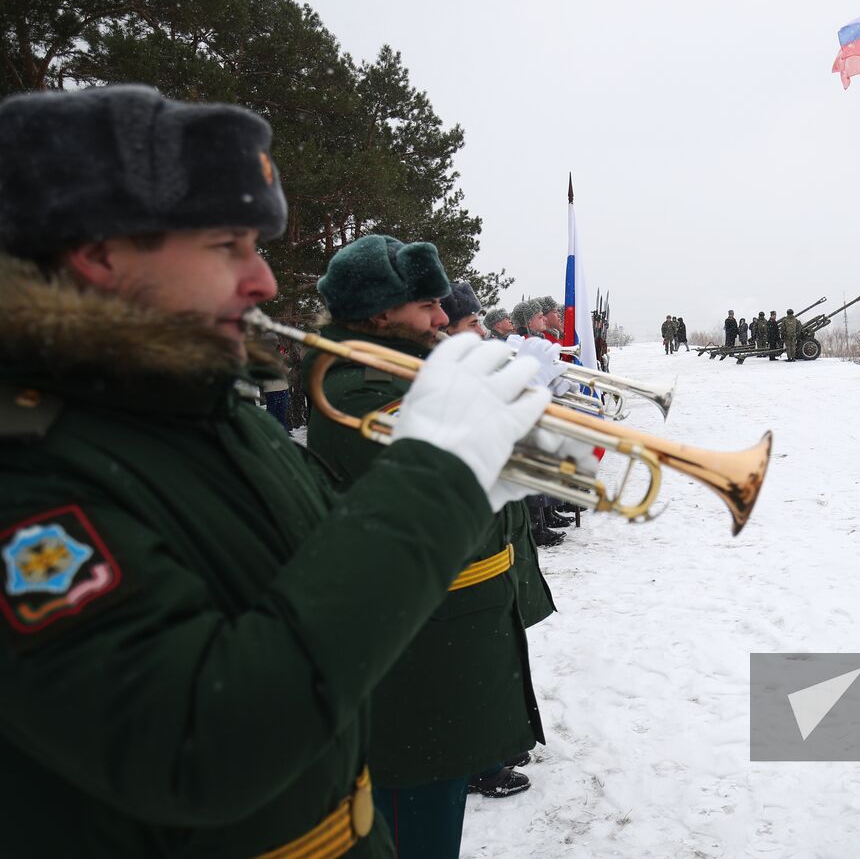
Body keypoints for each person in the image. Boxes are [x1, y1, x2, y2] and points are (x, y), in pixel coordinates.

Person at [0, 85, 553, 858]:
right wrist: (437, 476)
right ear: (100, 253)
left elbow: (322, 554)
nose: (263, 280)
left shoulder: (197, 407)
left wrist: (480, 484)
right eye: (229, 244)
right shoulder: (28, 472)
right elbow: (200, 744)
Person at [308, 237, 545, 851]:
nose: (443, 318)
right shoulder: (357, 387)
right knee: (415, 819)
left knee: (438, 805)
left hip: (458, 633)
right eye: (428, 306)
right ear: (381, 312)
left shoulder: (411, 373)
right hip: (419, 645)